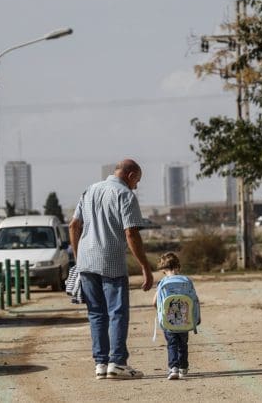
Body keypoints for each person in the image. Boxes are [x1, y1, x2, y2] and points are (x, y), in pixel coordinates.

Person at [69, 159, 154, 380]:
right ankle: (117, 363)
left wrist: (79, 258)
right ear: (131, 175)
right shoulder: (125, 195)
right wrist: (145, 267)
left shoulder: (90, 190)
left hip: (86, 261)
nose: (136, 186)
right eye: (137, 181)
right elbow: (131, 233)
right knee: (117, 312)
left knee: (96, 314)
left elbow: (74, 225)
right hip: (111, 261)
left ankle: (101, 364)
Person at [153, 252, 200, 380]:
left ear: (163, 269)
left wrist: (161, 312)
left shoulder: (162, 282)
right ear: (178, 266)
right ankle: (183, 368)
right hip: (185, 319)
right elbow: (195, 300)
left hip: (168, 321)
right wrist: (196, 317)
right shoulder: (186, 281)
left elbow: (154, 302)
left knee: (172, 344)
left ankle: (173, 368)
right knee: (183, 344)